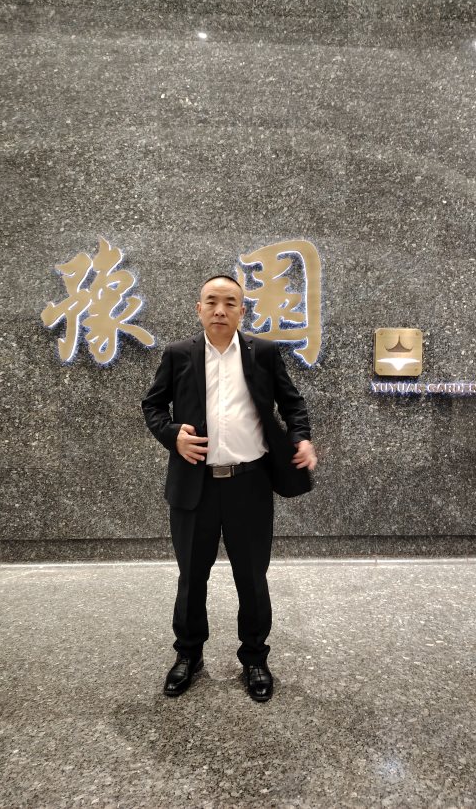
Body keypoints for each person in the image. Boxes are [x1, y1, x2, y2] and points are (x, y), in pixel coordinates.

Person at [141, 275, 318, 702]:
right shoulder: (178, 354)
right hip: (194, 485)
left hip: (249, 484)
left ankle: (254, 658)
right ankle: (188, 655)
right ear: (198, 308)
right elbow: (153, 405)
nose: (220, 310)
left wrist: (302, 437)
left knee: (252, 577)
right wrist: (172, 436)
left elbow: (292, 403)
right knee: (191, 576)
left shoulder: (264, 353)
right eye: (212, 302)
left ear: (242, 310)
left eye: (230, 303)